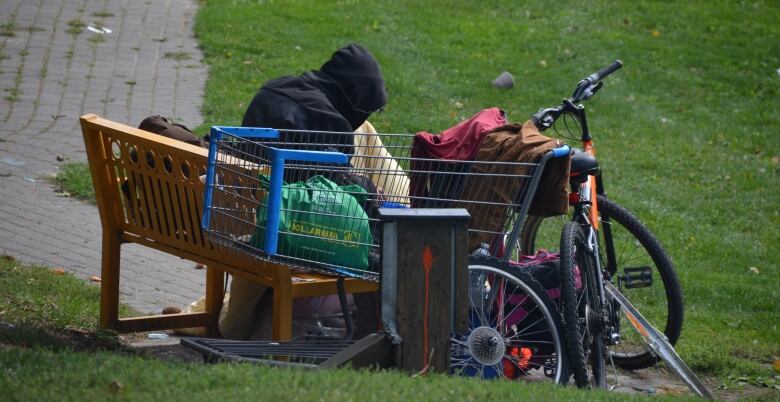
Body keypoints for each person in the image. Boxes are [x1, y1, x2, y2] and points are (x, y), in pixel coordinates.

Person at [218, 43, 387, 340]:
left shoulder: (275, 88)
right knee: (374, 241)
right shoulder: (331, 124)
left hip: (236, 212)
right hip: (282, 229)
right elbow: (333, 198)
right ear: (355, 101)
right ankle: (371, 335)